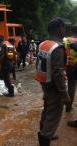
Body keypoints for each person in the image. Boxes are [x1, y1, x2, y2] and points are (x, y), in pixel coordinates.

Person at [34, 17, 70, 146]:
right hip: (54, 87)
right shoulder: (58, 48)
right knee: (53, 115)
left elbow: (38, 65)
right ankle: (45, 136)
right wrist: (64, 93)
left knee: (47, 109)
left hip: (44, 84)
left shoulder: (43, 44)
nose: (65, 29)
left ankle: (44, 132)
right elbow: (58, 73)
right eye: (64, 27)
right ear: (60, 29)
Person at [63, 25, 77, 113]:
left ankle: (68, 107)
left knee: (70, 87)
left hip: (70, 67)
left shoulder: (66, 40)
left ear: (71, 31)